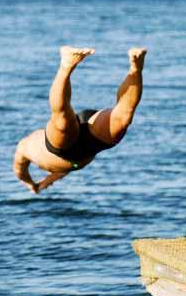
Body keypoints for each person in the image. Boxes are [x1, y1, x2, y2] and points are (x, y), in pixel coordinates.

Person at [13, 46, 147, 194]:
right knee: (123, 118)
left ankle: (66, 66)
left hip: (66, 149)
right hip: (90, 144)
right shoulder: (50, 165)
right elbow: (57, 173)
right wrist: (41, 184)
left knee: (62, 119)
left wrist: (30, 184)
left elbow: (20, 172)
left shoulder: (24, 148)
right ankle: (136, 69)